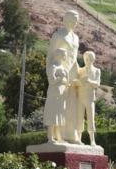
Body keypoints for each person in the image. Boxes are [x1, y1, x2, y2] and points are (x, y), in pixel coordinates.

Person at [46, 10, 80, 143]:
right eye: (72, 20)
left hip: (71, 73)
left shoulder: (76, 37)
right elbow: (50, 55)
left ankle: (71, 134)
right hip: (59, 73)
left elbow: (75, 57)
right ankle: (55, 135)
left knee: (71, 105)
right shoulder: (58, 35)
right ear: (66, 20)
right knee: (57, 107)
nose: (74, 23)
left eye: (76, 21)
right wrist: (51, 73)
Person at [75, 51, 101, 146]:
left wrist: (89, 81)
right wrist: (80, 81)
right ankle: (78, 138)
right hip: (80, 97)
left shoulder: (97, 71)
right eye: (85, 59)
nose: (87, 61)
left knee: (91, 118)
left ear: (93, 60)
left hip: (90, 98)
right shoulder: (80, 70)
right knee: (79, 118)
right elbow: (76, 82)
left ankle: (92, 140)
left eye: (89, 59)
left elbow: (97, 84)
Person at [43, 48, 68, 143]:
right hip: (54, 94)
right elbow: (51, 81)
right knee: (53, 116)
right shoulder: (53, 67)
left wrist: (63, 80)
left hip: (62, 96)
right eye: (64, 54)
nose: (65, 56)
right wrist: (60, 79)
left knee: (60, 116)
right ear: (59, 55)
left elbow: (67, 82)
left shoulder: (64, 68)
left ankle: (59, 137)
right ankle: (50, 137)